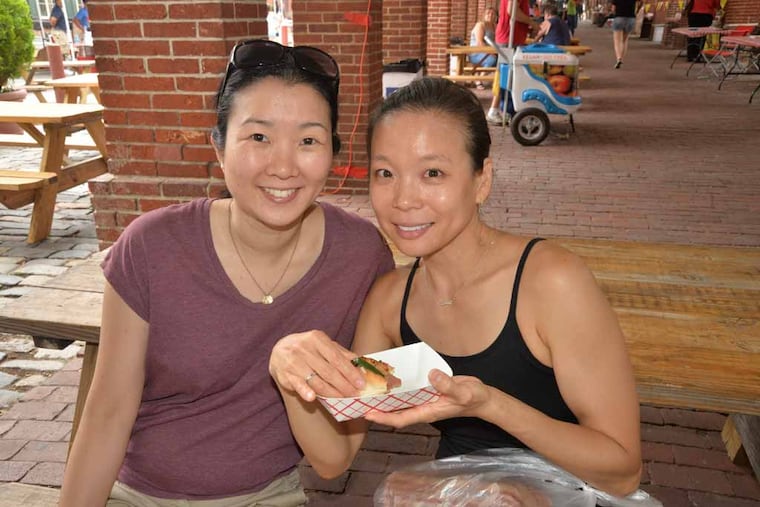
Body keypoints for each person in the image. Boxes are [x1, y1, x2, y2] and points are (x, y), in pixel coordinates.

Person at [270, 77, 643, 498]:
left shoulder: (551, 282)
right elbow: (334, 457)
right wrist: (288, 370)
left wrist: (492, 405)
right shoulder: (390, 302)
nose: (404, 199)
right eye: (385, 173)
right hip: (462, 493)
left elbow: (622, 471)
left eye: (432, 173)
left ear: (482, 180)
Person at [59, 38, 394, 506]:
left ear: (332, 154)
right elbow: (107, 414)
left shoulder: (363, 257)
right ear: (218, 148)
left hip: (269, 496)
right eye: (258, 137)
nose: (283, 166)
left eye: (308, 141)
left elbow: (337, 458)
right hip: (140, 496)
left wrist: (291, 372)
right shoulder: (151, 245)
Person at [486, 0, 539, 125]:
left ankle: (506, 110)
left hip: (512, 37)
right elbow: (512, 10)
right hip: (509, 38)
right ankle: (495, 110)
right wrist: (531, 22)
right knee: (505, 75)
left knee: (509, 75)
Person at [469, 5, 498, 90]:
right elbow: (479, 42)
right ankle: (479, 79)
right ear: (484, 15)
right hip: (476, 52)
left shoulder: (495, 26)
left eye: (493, 14)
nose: (490, 15)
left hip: (489, 52)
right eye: (488, 13)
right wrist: (491, 53)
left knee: (500, 59)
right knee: (492, 60)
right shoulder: (480, 25)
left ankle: (480, 77)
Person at [611, 0, 637, 68]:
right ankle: (622, 59)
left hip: (619, 17)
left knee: (617, 41)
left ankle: (618, 59)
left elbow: (613, 9)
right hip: (631, 19)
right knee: (624, 41)